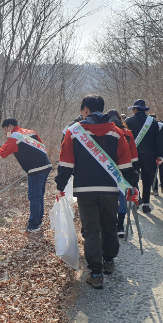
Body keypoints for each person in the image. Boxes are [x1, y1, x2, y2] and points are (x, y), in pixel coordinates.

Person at [55, 95, 139, 289]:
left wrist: (60, 185)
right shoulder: (117, 132)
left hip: (85, 189)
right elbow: (126, 164)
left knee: (91, 229)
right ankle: (109, 261)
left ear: (85, 110)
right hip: (110, 188)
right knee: (109, 224)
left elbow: (66, 163)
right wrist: (132, 186)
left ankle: (95, 272)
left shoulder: (74, 132)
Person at [0, 118, 52, 232]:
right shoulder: (31, 132)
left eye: (5, 130)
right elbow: (42, 146)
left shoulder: (15, 137)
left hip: (35, 169)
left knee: (34, 196)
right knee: (39, 195)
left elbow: (0, 154)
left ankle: (33, 225)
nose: (5, 133)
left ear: (10, 127)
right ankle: (38, 220)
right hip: (46, 165)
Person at [125, 100, 163, 214]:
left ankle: (136, 200)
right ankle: (146, 204)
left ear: (135, 109)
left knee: (134, 178)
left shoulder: (128, 121)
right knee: (147, 179)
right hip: (150, 155)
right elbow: (158, 140)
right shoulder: (153, 122)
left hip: (133, 156)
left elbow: (126, 140)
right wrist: (159, 155)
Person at [107, 109, 139, 238]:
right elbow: (134, 155)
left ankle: (111, 223)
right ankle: (120, 225)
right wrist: (135, 170)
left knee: (110, 197)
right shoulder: (126, 133)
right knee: (122, 197)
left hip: (108, 169)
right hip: (125, 169)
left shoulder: (106, 132)